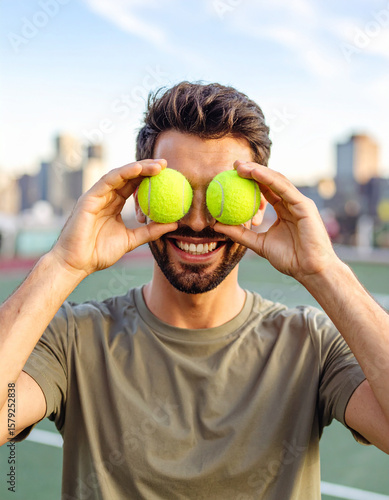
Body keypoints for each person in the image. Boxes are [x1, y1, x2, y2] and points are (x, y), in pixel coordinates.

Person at [0, 81, 388, 500]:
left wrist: (324, 270)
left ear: (260, 205)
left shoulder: (312, 344)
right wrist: (63, 264)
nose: (199, 222)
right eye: (179, 190)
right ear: (142, 199)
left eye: (222, 192)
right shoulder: (71, 339)